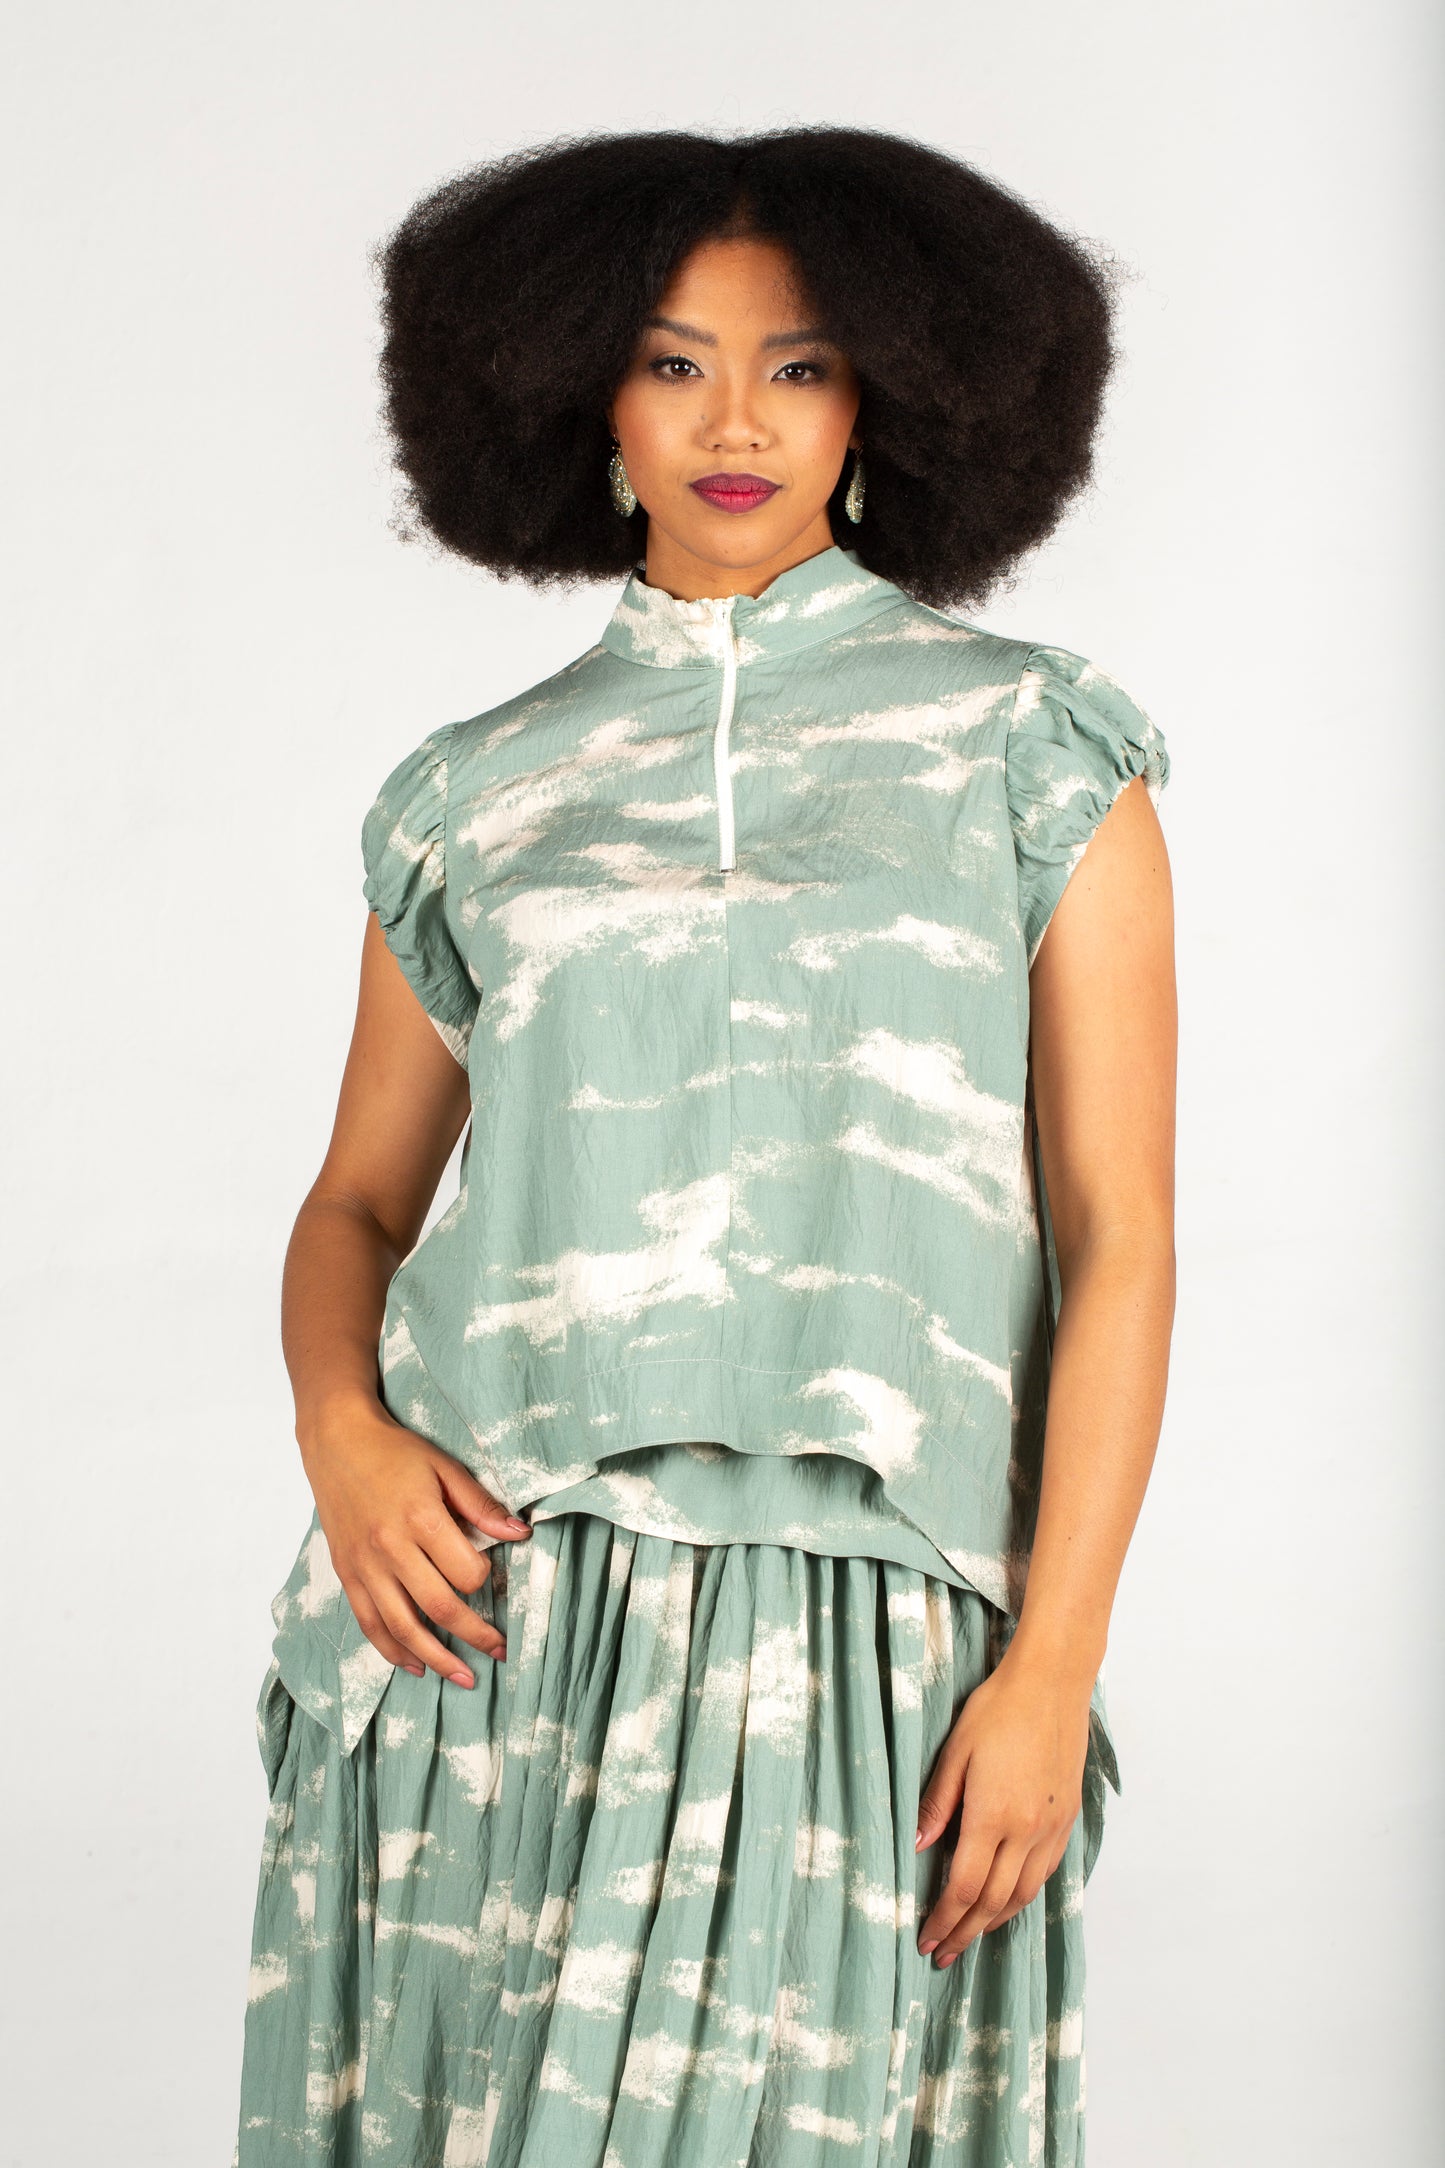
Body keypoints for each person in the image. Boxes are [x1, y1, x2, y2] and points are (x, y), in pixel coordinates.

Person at [232, 124, 1176, 2168]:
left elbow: (1119, 1235)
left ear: (887, 398)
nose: (734, 420)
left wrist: (1057, 1660)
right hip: (489, 1616)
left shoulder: (1028, 745)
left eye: (798, 364)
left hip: (872, 1615)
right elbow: (358, 1202)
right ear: (583, 393)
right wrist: (344, 1437)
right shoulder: (476, 790)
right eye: (672, 363)